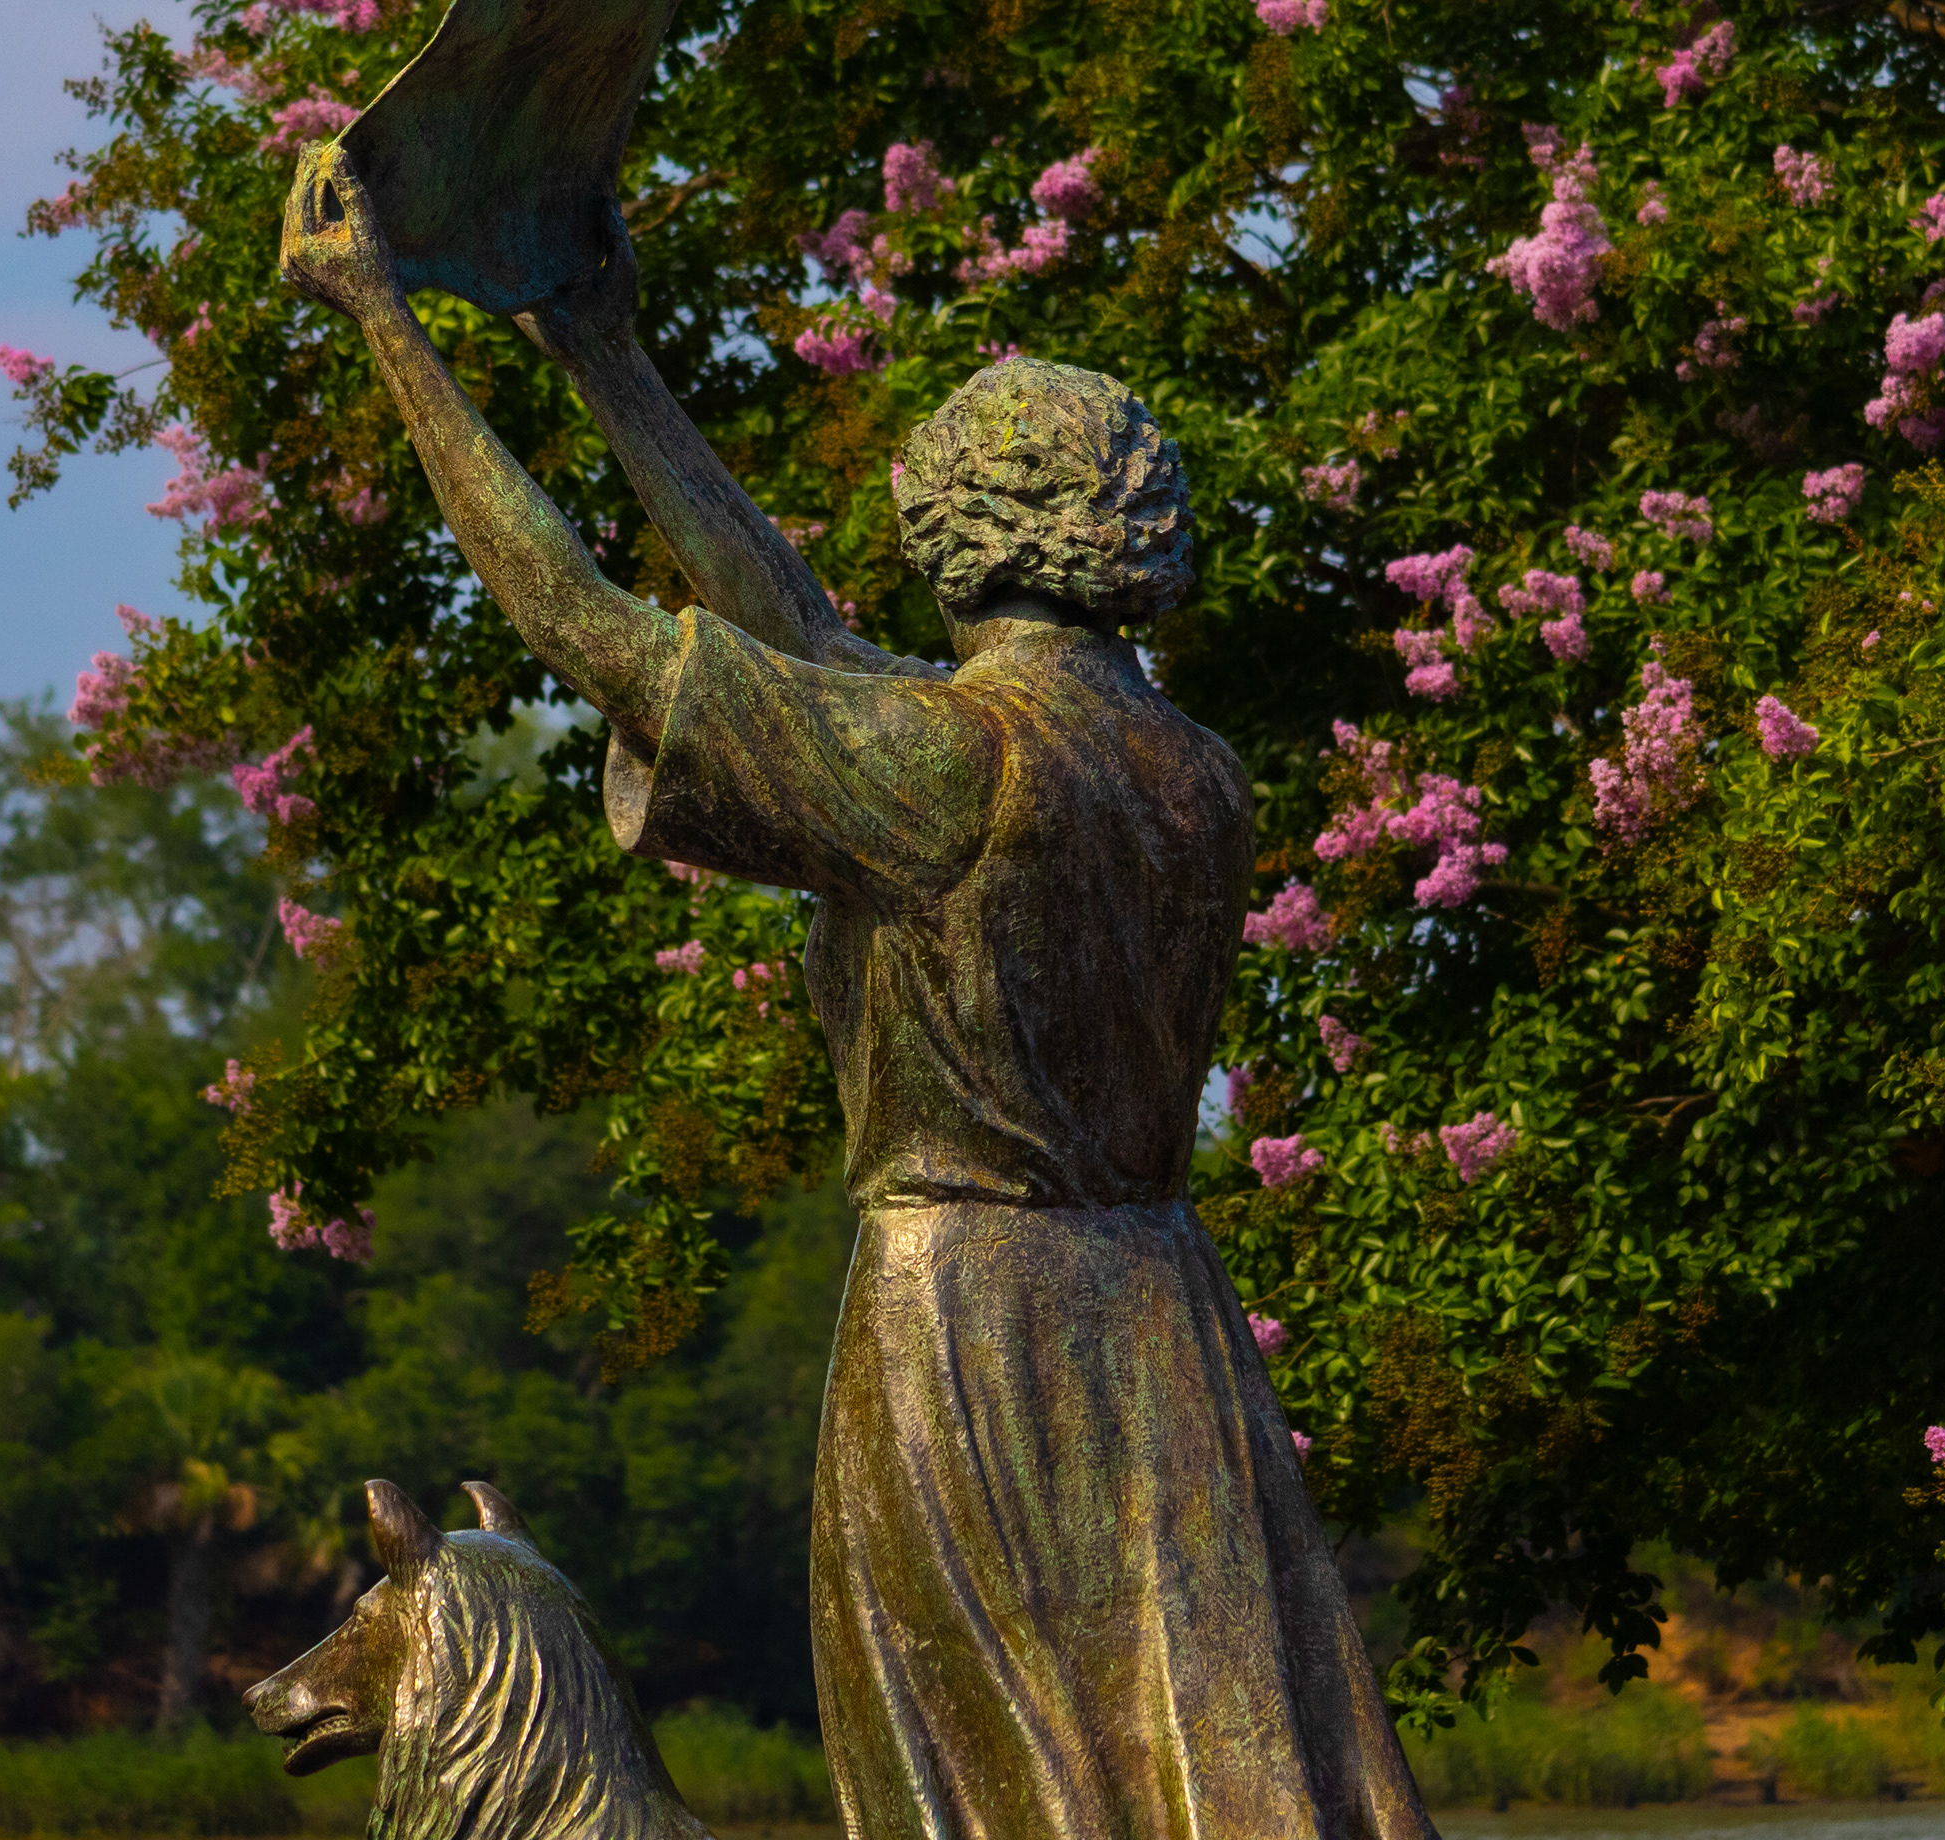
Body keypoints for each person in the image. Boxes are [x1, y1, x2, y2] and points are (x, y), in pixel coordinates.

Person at [279, 148, 1437, 1840]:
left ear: (958, 529)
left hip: (968, 1325)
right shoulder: (1192, 773)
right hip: (1162, 1326)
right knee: (1200, 1755)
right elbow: (800, 634)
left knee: (989, 1780)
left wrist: (387, 323)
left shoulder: (954, 765)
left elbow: (589, 628)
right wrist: (599, 352)